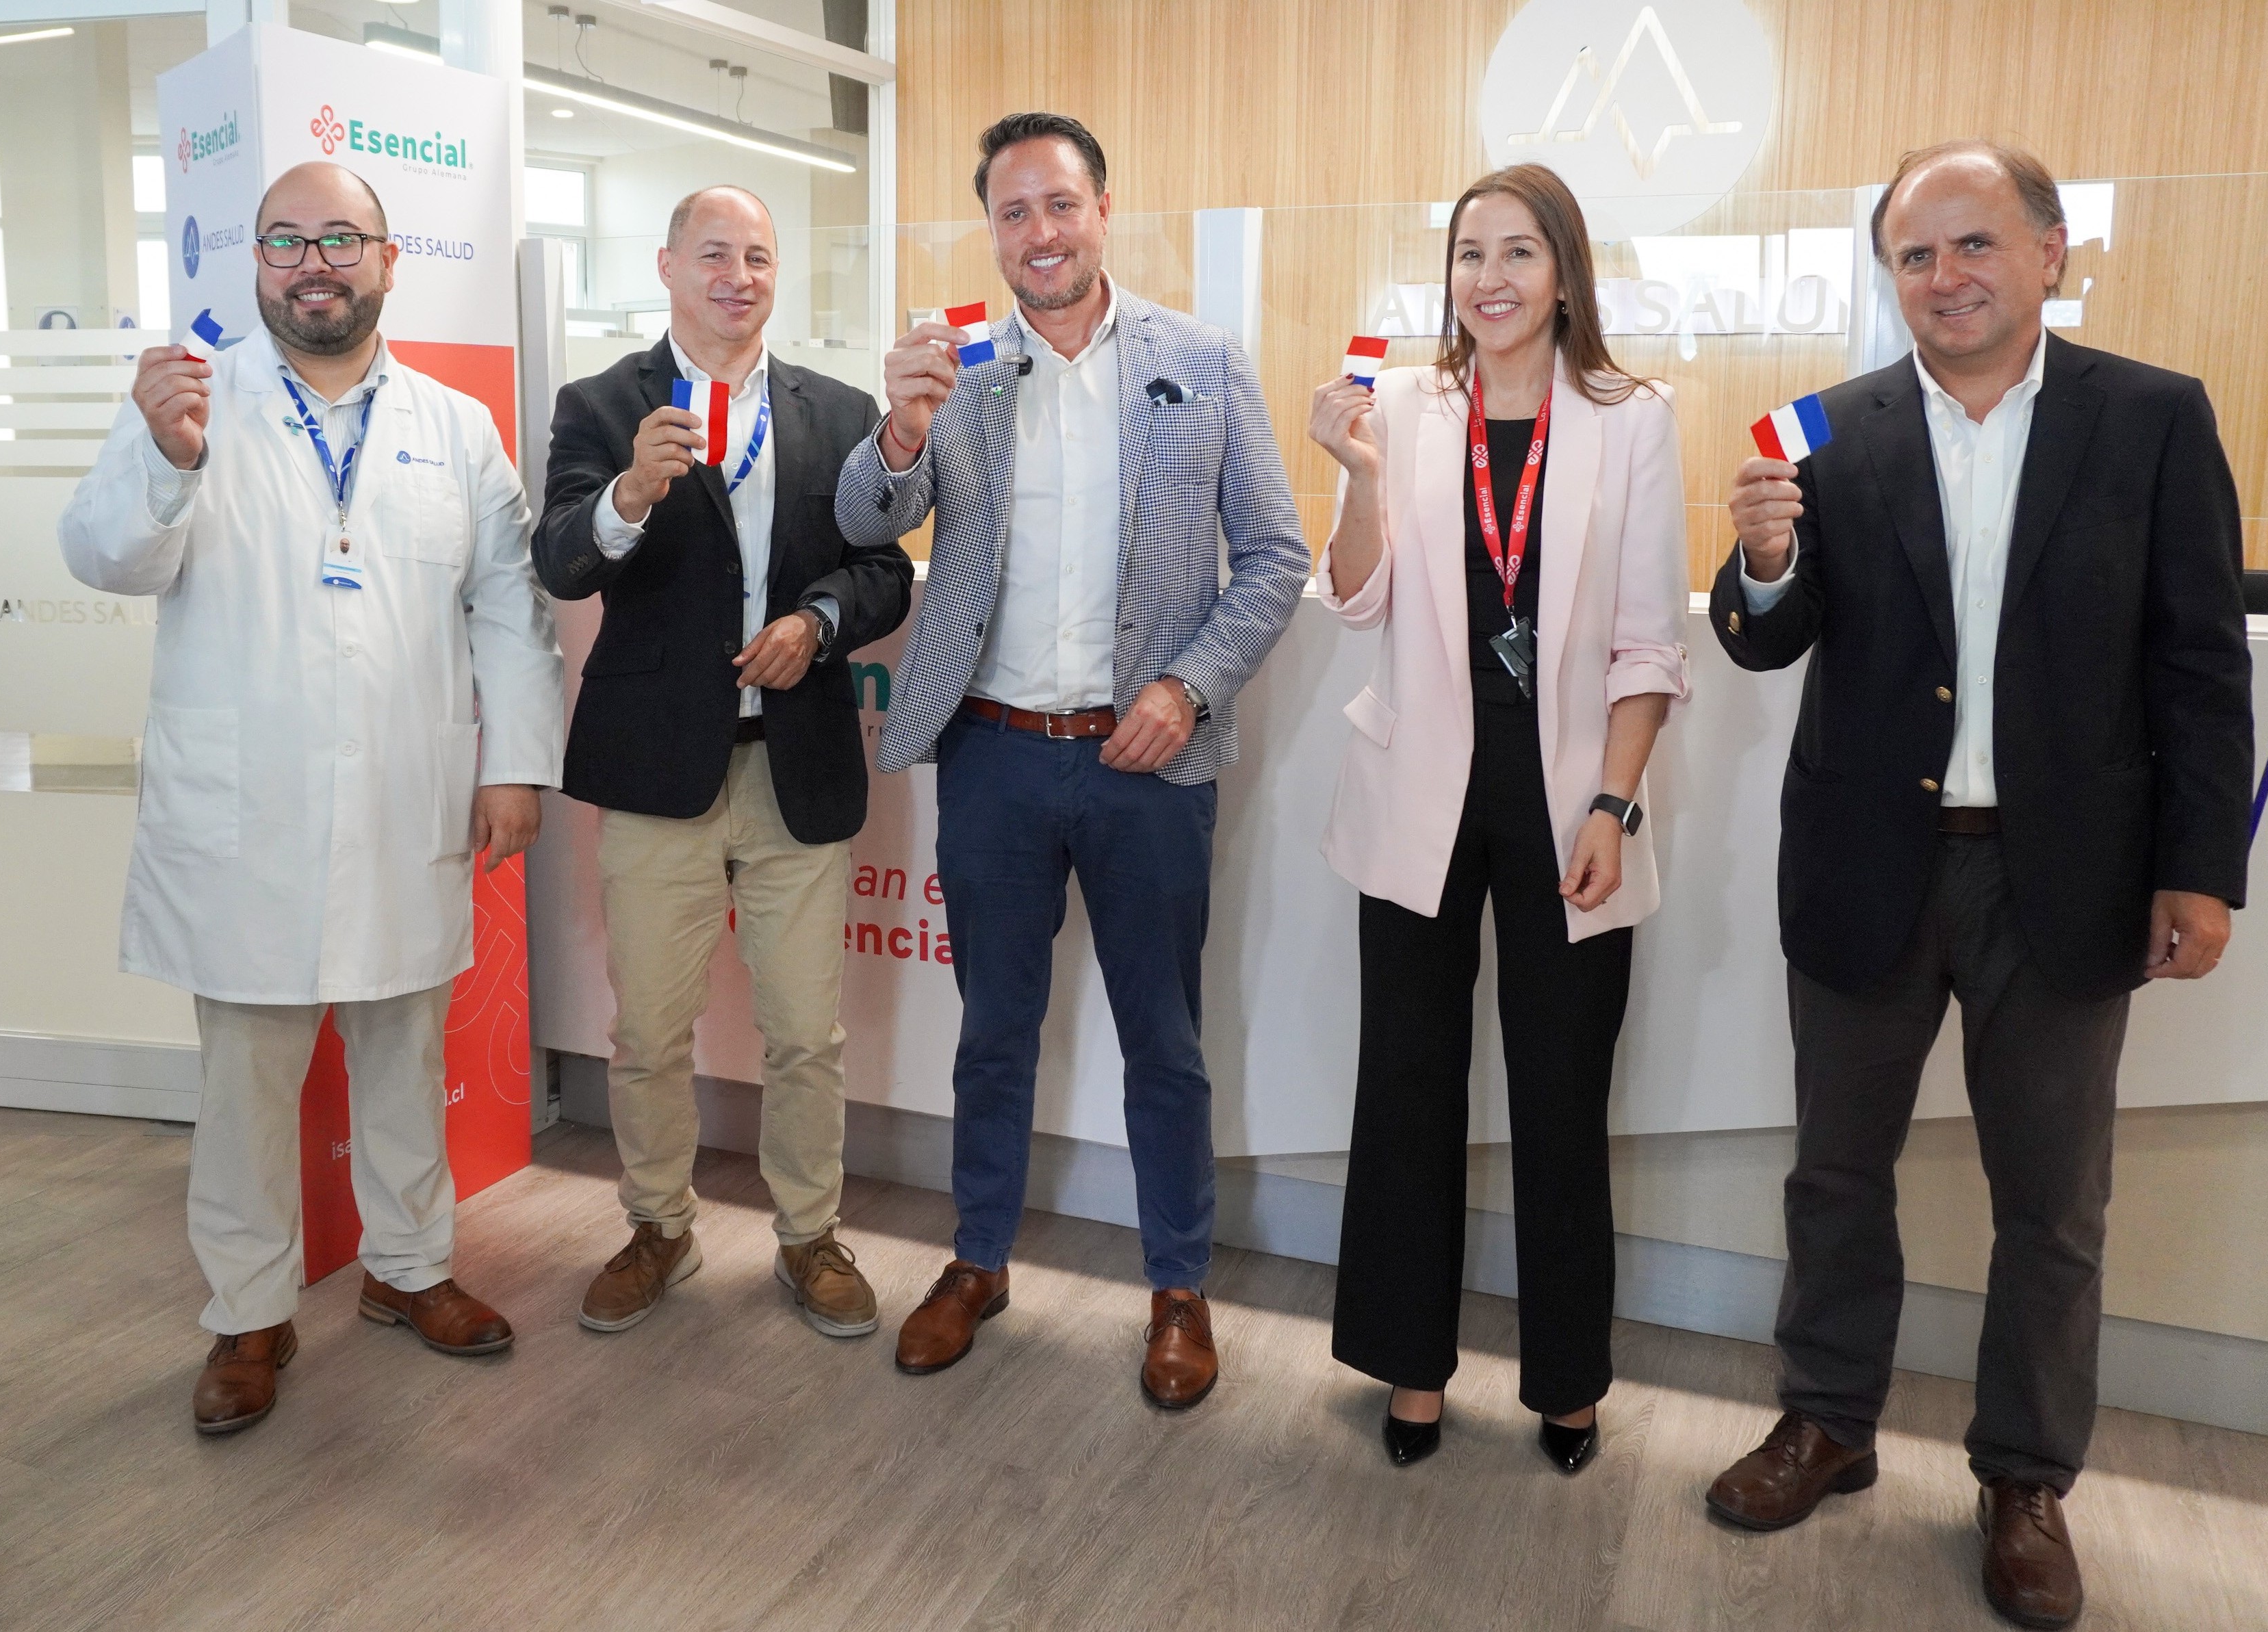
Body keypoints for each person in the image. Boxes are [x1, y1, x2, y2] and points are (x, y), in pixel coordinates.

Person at [1702, 141, 2251, 1630]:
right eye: (1911, 257)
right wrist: (1756, 565)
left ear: (2049, 251)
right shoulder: (1827, 426)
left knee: (2052, 1203)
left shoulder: (2147, 418)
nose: (1942, 279)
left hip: (2062, 876)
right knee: (1832, 1170)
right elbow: (1764, 636)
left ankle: (2022, 1478)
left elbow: (2199, 662)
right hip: (1867, 864)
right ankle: (1825, 1419)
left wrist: (2202, 871)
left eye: (1972, 246)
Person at [60, 161, 566, 1437]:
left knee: (404, 1048)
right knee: (247, 1077)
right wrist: (168, 461)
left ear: (388, 261)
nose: (315, 262)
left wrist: (514, 761)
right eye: (287, 241)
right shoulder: (189, 400)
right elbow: (105, 556)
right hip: (253, 807)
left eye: (341, 238)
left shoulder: (456, 426)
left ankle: (410, 1271)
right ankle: (247, 1310)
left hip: (406, 789)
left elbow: (508, 605)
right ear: (258, 265)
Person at [835, 112, 1309, 1409]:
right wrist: (897, 427)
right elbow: (866, 520)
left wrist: (1187, 684)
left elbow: (1275, 558)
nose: (1038, 233)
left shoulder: (1200, 360)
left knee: (1165, 1039)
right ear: (990, 229)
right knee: (993, 1033)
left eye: (1059, 206)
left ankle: (1177, 1287)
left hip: (1144, 762)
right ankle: (977, 1261)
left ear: (1103, 208)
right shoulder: (960, 370)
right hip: (991, 757)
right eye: (1012, 213)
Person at [1306, 166, 1688, 1473]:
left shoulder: (1631, 417)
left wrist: (1613, 804)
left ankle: (1567, 1382)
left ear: (1566, 275)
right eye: (1470, 254)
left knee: (1560, 1094)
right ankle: (1411, 1368)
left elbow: (1649, 644)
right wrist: (1357, 474)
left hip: (1568, 798)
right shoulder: (1406, 410)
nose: (1493, 279)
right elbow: (1354, 601)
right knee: (1408, 1088)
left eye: (1520, 253)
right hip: (1420, 787)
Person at [535, 185, 910, 1340]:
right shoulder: (601, 404)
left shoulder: (838, 410)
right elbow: (560, 560)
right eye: (714, 254)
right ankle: (658, 1227)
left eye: (757, 255)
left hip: (794, 765)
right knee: (649, 1029)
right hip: (657, 771)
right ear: (666, 265)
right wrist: (630, 495)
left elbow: (882, 569)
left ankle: (809, 1237)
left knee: (807, 1032)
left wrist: (819, 623)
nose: (737, 275)